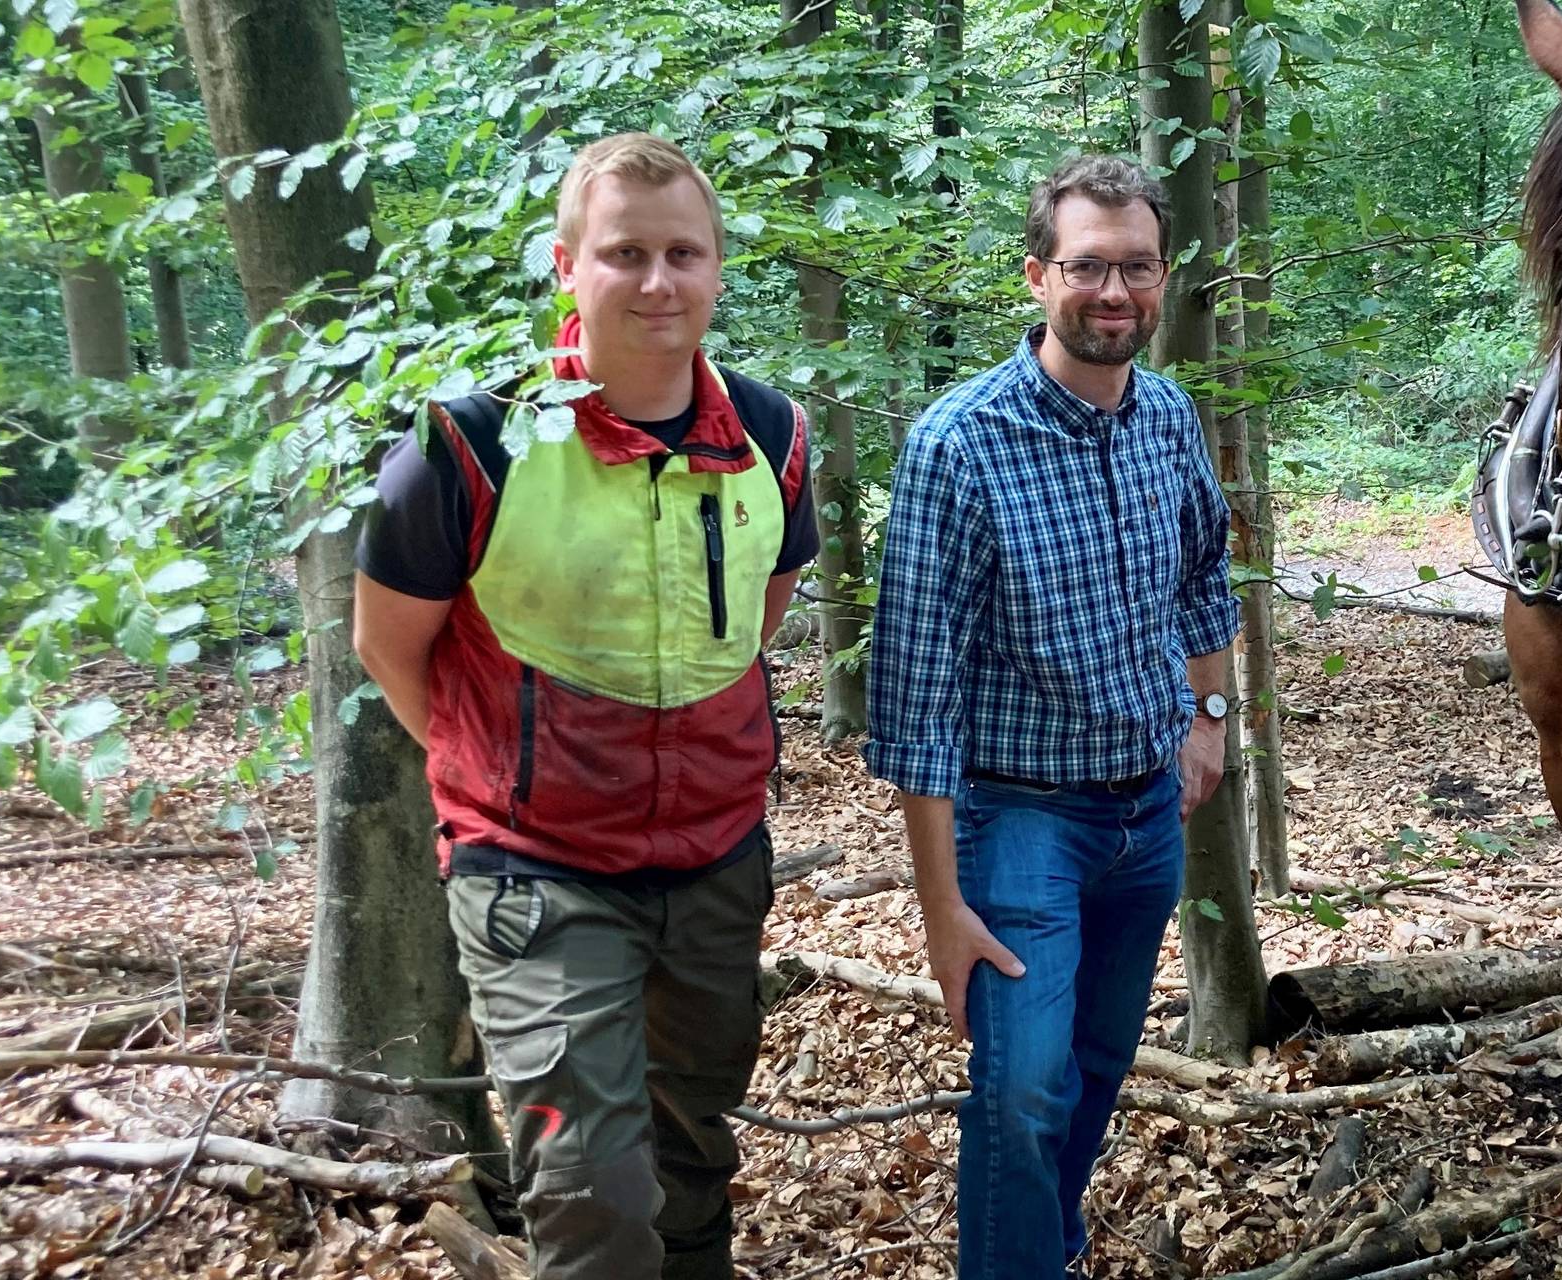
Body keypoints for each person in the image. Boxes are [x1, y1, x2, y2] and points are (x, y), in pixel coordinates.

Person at [351, 131, 816, 1280]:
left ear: (716, 268)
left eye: (681, 253)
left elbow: (753, 623)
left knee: (692, 1156)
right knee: (590, 1188)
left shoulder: (771, 436)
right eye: (623, 253)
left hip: (714, 862)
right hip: (535, 873)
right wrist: (498, 773)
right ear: (567, 266)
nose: (656, 282)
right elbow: (388, 645)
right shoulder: (471, 444)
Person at [863, 153, 1240, 1280]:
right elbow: (915, 696)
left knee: (1094, 1068)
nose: (1113, 291)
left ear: (1163, 277)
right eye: (1087, 267)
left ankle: (1044, 1249)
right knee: (1021, 1087)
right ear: (1037, 275)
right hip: (1018, 818)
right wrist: (941, 906)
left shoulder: (1169, 417)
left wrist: (1209, 717)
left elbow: (1203, 579)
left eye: (1136, 267)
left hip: (1145, 815)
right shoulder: (960, 444)